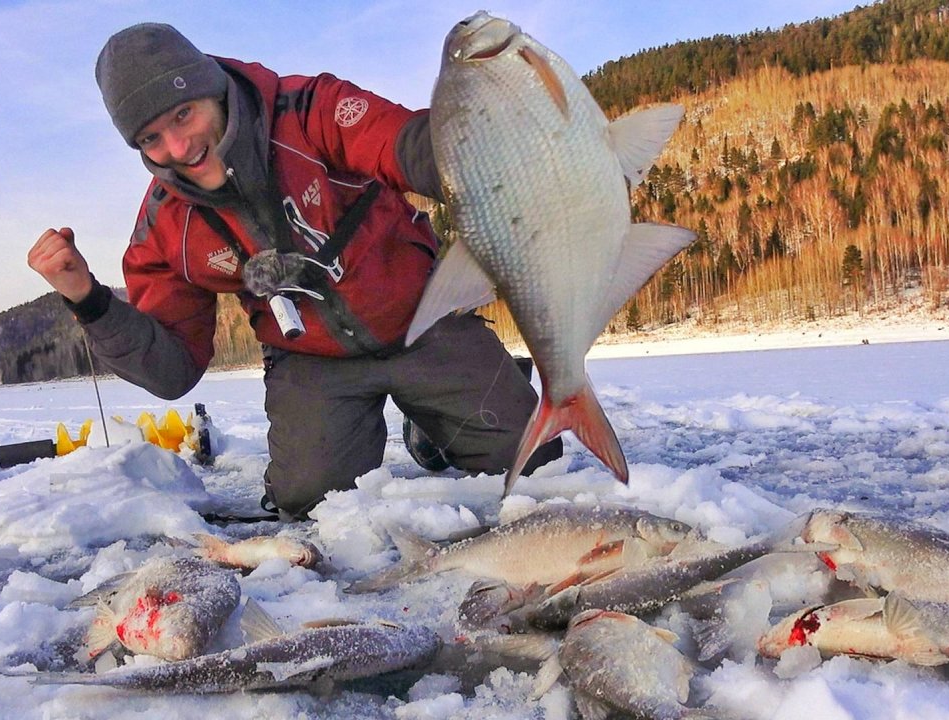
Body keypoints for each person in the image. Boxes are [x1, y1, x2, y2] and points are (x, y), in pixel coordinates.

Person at [28, 23, 561, 519]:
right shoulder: (166, 226)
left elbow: (402, 144)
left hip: (422, 319)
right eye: (150, 139)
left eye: (183, 115)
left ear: (213, 90)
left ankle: (439, 419)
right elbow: (173, 370)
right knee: (307, 503)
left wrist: (472, 145)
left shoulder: (310, 109)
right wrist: (88, 300)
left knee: (538, 465)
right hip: (313, 360)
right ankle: (379, 425)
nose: (178, 148)